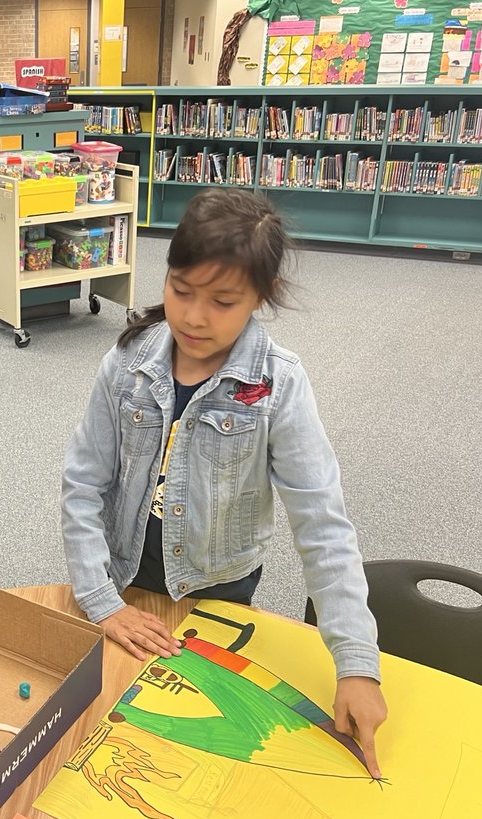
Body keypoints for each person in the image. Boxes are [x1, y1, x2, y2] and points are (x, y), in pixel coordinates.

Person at [60, 189, 388, 777]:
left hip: (220, 583)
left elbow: (323, 524)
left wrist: (356, 663)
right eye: (180, 290)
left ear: (260, 298)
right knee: (112, 731)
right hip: (127, 574)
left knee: (199, 744)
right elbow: (83, 485)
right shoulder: (127, 363)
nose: (192, 316)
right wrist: (102, 601)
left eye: (223, 301)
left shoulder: (279, 385)